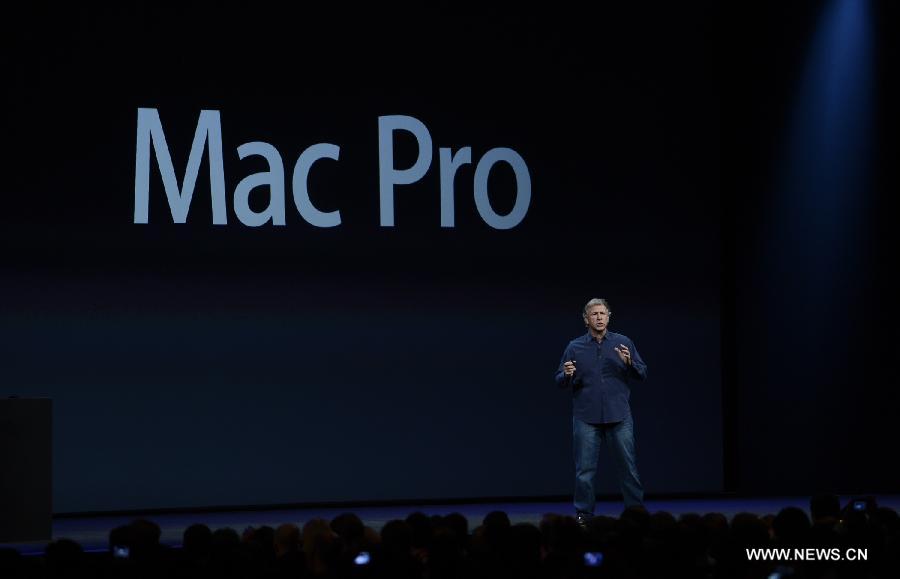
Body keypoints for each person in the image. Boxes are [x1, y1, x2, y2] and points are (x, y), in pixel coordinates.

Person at [554, 298, 647, 527]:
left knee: (628, 467)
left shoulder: (623, 342)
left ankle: (635, 513)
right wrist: (566, 374)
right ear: (586, 319)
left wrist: (629, 363)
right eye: (594, 314)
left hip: (619, 415)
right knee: (584, 471)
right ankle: (584, 516)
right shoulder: (574, 347)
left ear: (608, 317)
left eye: (603, 313)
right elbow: (559, 380)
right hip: (586, 417)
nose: (599, 317)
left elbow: (642, 373)